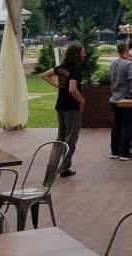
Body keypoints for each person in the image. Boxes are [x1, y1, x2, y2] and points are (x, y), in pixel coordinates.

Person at [40, 41, 85, 177]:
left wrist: (57, 86)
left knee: (60, 137)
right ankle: (64, 168)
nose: (85, 54)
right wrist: (82, 100)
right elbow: (72, 89)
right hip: (72, 107)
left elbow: (44, 75)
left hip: (60, 106)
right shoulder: (76, 69)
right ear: (77, 54)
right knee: (71, 139)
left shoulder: (62, 67)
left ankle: (53, 167)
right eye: (83, 52)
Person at [109, 43, 132, 161]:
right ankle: (125, 153)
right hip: (126, 100)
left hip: (114, 100)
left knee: (116, 126)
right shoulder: (129, 64)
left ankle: (114, 151)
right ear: (127, 51)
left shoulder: (113, 63)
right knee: (128, 126)